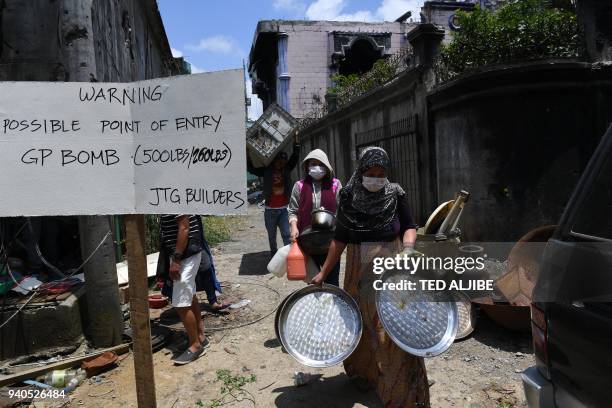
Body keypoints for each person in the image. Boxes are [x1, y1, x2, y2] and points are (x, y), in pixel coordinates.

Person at [311, 147, 428, 406]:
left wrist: (408, 249)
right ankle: (364, 374)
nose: (376, 178)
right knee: (360, 327)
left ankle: (399, 391)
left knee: (392, 330)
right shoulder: (350, 197)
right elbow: (339, 239)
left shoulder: (395, 194)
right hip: (358, 274)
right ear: (361, 171)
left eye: (381, 173)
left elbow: (409, 226)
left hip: (393, 270)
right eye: (371, 173)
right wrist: (323, 272)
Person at [158, 214, 208, 365]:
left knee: (181, 303)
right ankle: (200, 337)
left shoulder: (175, 193)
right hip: (183, 253)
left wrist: (177, 259)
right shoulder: (167, 194)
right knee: (189, 295)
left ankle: (195, 346)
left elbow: (184, 227)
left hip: (185, 255)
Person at [288, 149, 342, 286]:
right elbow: (293, 211)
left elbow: (342, 209)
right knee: (313, 282)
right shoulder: (299, 186)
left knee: (332, 281)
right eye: (313, 164)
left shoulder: (335, 184)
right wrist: (294, 227)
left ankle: (331, 306)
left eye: (320, 164)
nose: (317, 167)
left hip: (330, 242)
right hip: (307, 242)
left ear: (326, 166)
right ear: (307, 166)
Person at [247, 142, 300, 256]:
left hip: (284, 210)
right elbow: (252, 169)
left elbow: (294, 158)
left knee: (286, 234)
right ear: (274, 161)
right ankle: (274, 254)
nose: (281, 164)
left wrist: (296, 143)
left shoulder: (286, 170)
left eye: (283, 162)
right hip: (270, 210)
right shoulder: (266, 171)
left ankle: (287, 256)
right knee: (272, 235)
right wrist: (247, 155)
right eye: (279, 161)